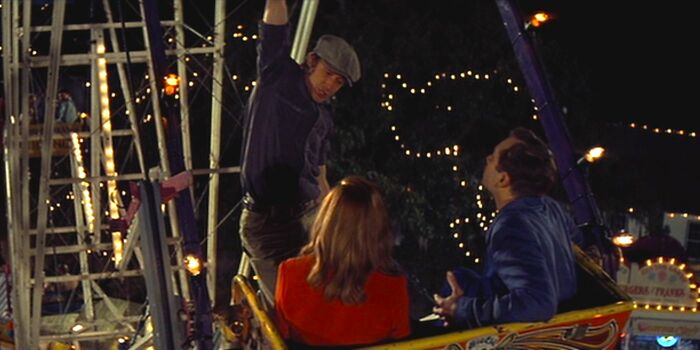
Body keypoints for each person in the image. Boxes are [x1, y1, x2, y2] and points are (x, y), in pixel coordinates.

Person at [239, 0, 361, 304]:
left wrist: (331, 220)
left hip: (306, 218)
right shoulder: (278, 76)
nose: (331, 85)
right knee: (288, 306)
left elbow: (319, 174)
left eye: (338, 81)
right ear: (312, 61)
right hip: (266, 222)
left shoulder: (325, 116)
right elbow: (274, 27)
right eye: (329, 73)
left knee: (328, 298)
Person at [433, 127, 580, 328]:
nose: (487, 159)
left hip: (526, 336)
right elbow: (578, 242)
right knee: (462, 278)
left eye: (493, 158)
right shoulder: (550, 208)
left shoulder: (511, 226)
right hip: (563, 320)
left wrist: (462, 309)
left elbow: (538, 304)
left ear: (503, 179)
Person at [274, 176, 410, 346]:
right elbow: (402, 343)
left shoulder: (289, 273)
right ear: (379, 229)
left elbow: (280, 339)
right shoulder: (393, 287)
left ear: (326, 220)